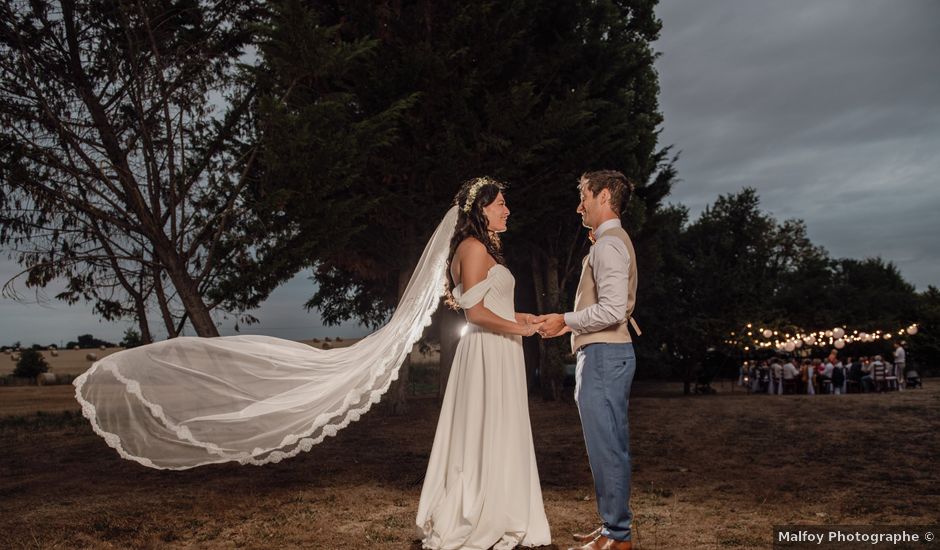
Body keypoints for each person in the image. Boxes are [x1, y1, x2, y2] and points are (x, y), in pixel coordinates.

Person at [416, 177, 552, 549]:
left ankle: (503, 505)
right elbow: (475, 314)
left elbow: (493, 306)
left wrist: (525, 319)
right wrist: (517, 330)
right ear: (481, 209)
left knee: (500, 427)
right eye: (500, 204)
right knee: (486, 427)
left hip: (499, 346)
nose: (507, 210)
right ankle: (479, 511)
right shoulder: (474, 247)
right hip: (487, 350)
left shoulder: (484, 247)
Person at [535, 170, 638, 550]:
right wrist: (568, 326)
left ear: (604, 195)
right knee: (608, 444)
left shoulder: (608, 246)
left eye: (584, 197)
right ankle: (613, 527)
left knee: (606, 446)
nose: (580, 206)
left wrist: (565, 320)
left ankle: (618, 536)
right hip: (606, 355)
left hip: (605, 356)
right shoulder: (609, 242)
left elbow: (611, 309)